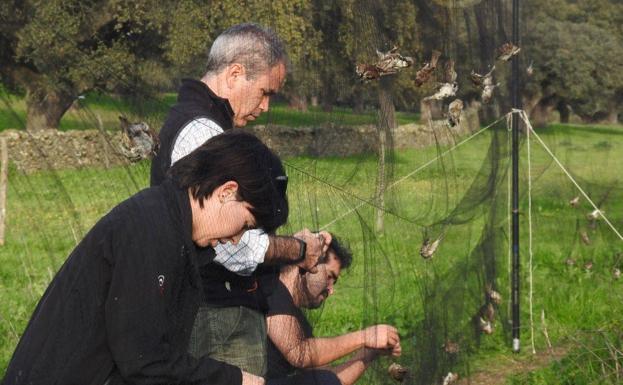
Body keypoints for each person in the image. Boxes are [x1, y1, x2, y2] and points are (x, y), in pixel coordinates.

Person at [2, 131, 288, 385]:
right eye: (247, 224)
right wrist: (234, 379)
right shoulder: (151, 231)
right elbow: (144, 362)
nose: (237, 238)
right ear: (227, 192)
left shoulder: (169, 225)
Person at [150, 23, 329, 376]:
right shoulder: (204, 132)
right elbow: (231, 246)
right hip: (214, 315)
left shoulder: (202, 125)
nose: (265, 106)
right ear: (234, 74)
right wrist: (297, 250)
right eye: (264, 92)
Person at [265, 237, 402, 385]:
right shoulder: (272, 290)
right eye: (329, 276)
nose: (331, 290)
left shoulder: (299, 324)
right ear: (310, 263)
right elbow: (298, 353)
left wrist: (370, 351)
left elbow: (331, 379)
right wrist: (366, 336)